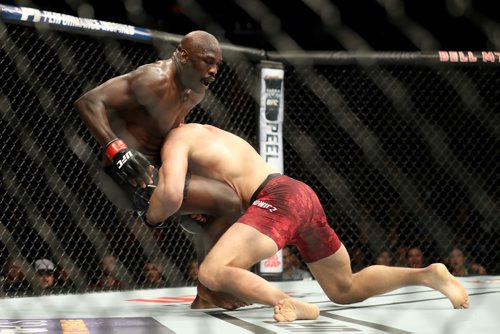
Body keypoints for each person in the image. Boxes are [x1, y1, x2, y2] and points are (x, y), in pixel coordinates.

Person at [146, 123, 469, 322]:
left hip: (274, 199)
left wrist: (151, 217)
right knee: (344, 288)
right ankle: (428, 274)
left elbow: (171, 192)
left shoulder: (177, 139)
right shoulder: (211, 136)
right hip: (299, 195)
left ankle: (286, 302)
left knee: (213, 271)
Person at [74, 30, 242, 308]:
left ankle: (208, 287)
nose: (213, 70)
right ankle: (210, 289)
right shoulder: (154, 78)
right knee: (226, 201)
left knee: (233, 194)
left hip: (160, 169)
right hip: (127, 175)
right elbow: (88, 102)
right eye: (208, 61)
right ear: (184, 56)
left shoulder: (197, 88)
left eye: (217, 65)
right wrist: (118, 150)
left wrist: (183, 169)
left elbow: (172, 132)